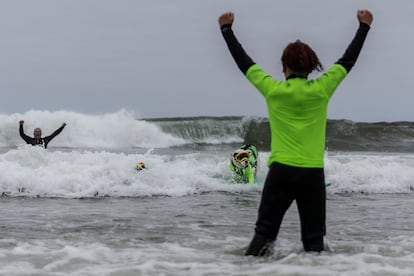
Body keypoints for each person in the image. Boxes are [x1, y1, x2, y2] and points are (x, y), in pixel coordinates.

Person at [218, 9, 373, 255]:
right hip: (312, 175)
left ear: (283, 67)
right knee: (314, 244)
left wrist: (226, 30)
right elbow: (348, 60)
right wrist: (364, 27)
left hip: (281, 173)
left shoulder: (273, 89)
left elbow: (244, 63)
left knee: (263, 238)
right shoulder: (323, 88)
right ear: (312, 66)